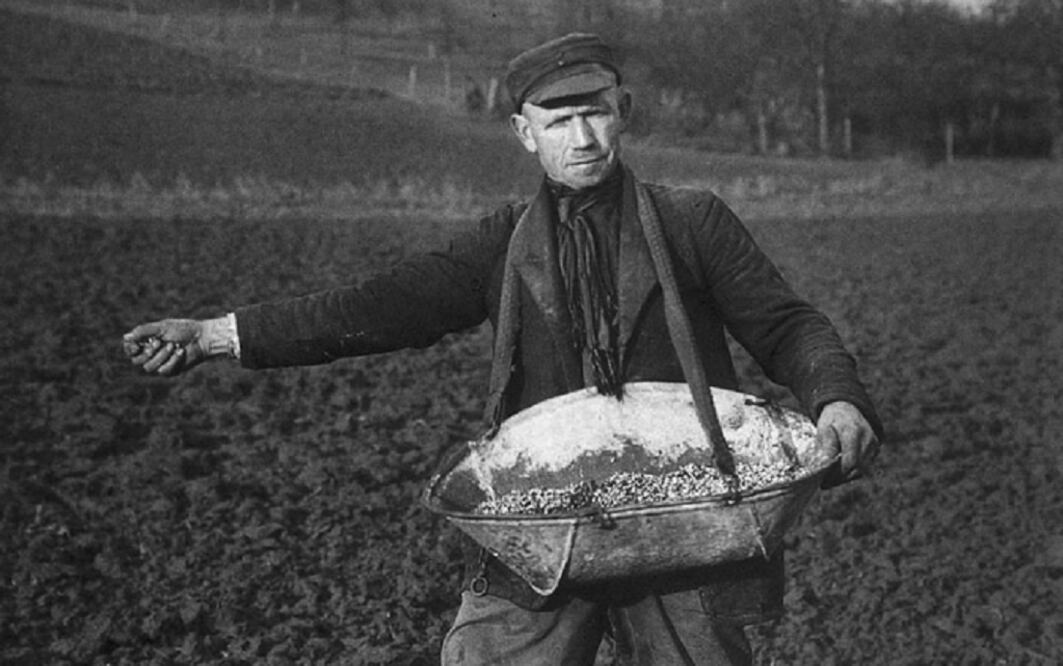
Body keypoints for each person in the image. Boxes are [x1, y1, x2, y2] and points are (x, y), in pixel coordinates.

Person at [123, 33, 882, 666]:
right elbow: (377, 309)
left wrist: (836, 397)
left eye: (594, 115)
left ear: (624, 114)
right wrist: (217, 335)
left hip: (683, 514)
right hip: (542, 518)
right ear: (524, 132)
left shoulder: (692, 223)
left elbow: (786, 325)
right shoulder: (500, 242)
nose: (581, 138)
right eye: (556, 122)